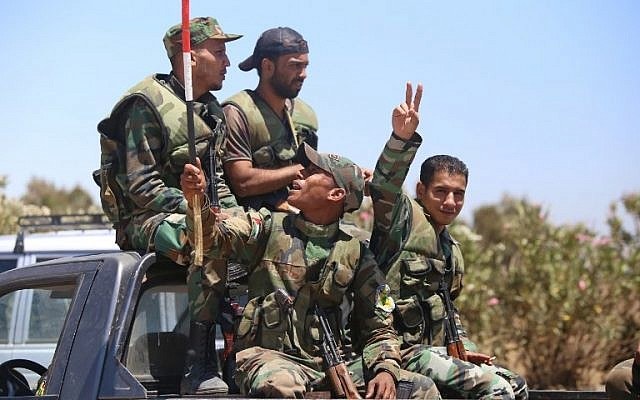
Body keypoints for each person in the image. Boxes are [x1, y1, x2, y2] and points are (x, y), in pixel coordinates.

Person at [180, 145, 440, 398]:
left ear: (336, 194)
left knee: (420, 386)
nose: (299, 174)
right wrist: (197, 201)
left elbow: (381, 327)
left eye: (312, 170)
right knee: (282, 384)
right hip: (269, 360)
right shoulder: (267, 225)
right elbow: (213, 240)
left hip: (333, 365)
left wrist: (385, 369)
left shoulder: (357, 253)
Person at [95, 17, 241, 395]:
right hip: (146, 220)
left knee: (261, 234)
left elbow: (218, 178)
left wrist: (236, 216)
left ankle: (246, 355)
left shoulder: (211, 110)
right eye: (220, 52)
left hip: (199, 213)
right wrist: (196, 207)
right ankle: (198, 363)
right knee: (204, 238)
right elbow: (141, 186)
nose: (227, 61)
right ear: (189, 57)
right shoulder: (145, 104)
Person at [369, 83, 528, 399]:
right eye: (441, 191)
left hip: (435, 352)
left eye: (459, 194)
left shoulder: (451, 250)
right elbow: (385, 186)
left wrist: (465, 349)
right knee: (495, 389)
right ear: (421, 191)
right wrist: (401, 139)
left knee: (515, 383)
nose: (450, 201)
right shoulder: (401, 221)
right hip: (396, 352)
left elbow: (448, 312)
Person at [221, 27, 318, 212]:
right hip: (252, 218)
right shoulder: (238, 112)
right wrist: (304, 168)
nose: (303, 74)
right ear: (268, 66)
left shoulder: (305, 116)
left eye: (305, 66)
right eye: (295, 65)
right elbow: (242, 182)